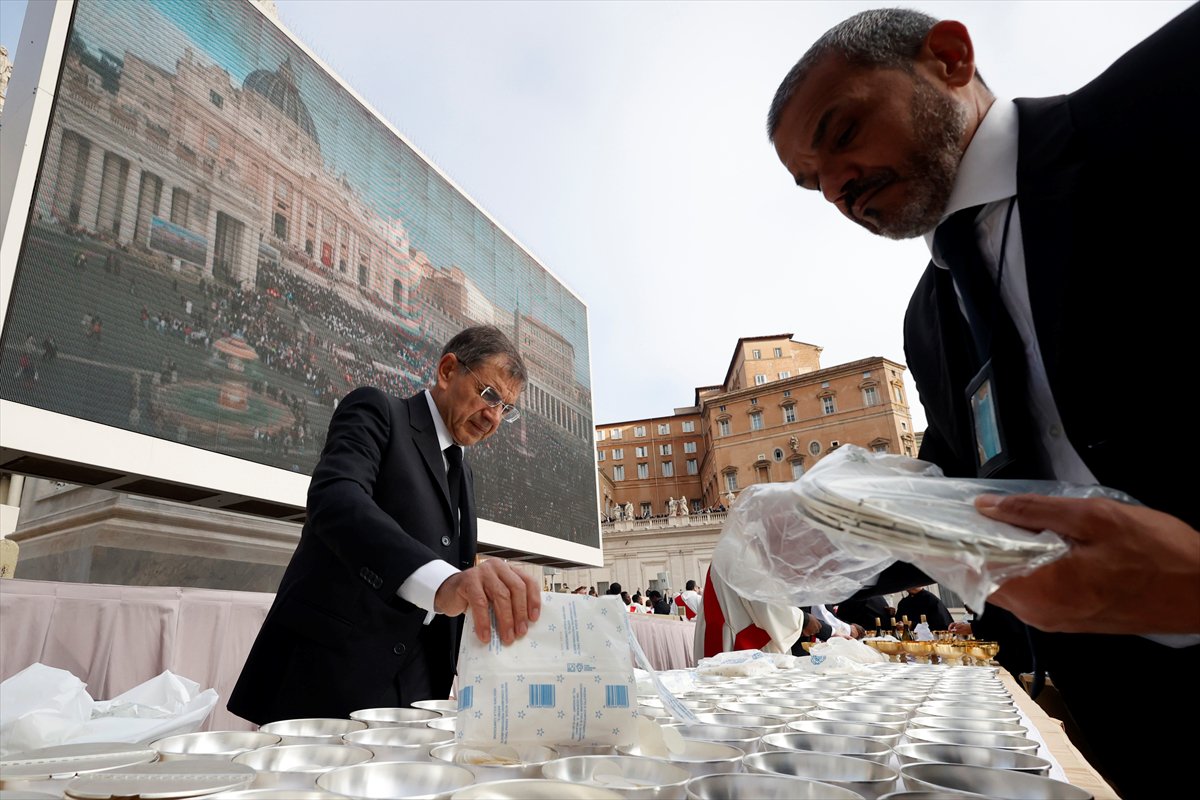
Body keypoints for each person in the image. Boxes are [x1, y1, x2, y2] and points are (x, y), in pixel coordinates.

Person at [765, 8, 1200, 794]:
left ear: (950, 57)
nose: (836, 188)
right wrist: (818, 541)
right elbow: (964, 496)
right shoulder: (929, 318)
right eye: (812, 182)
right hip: (1140, 726)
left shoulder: (1169, 91)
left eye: (844, 131)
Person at [229, 325, 540, 724]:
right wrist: (442, 583)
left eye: (506, 409)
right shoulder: (377, 410)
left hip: (419, 696)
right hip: (328, 681)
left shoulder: (465, 475)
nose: (493, 417)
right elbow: (336, 499)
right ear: (448, 371)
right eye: (490, 395)